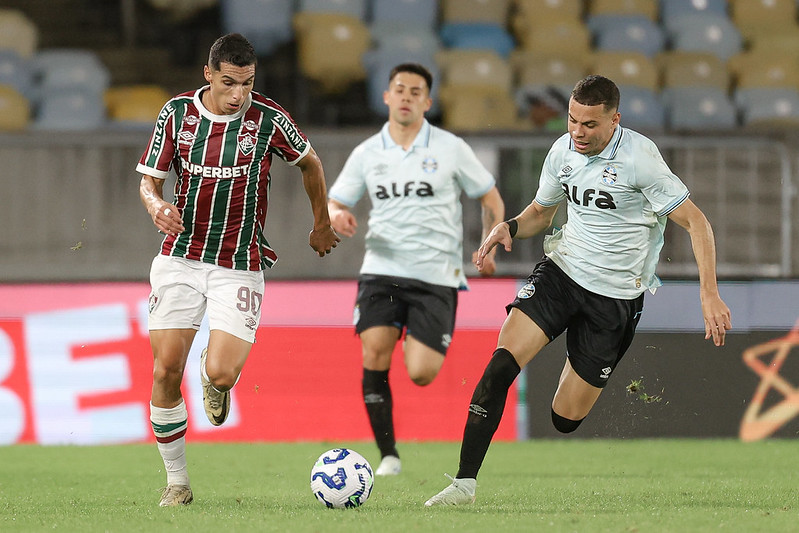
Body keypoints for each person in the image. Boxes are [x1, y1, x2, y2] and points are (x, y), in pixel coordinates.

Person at [424, 75, 732, 506]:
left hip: (615, 298)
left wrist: (709, 292)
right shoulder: (562, 150)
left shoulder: (641, 158)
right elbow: (542, 213)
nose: (577, 132)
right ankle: (464, 485)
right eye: (572, 120)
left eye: (589, 124)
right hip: (562, 273)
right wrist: (509, 227)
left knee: (564, 419)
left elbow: (697, 222)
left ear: (614, 121)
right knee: (499, 370)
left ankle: (579, 345)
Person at [137, 33, 340, 507]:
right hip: (181, 257)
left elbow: (310, 162)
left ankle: (213, 377)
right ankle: (178, 482)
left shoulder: (267, 118)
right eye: (228, 83)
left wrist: (322, 223)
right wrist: (154, 205)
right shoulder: (177, 114)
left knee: (223, 374)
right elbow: (150, 180)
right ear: (208, 74)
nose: (237, 95)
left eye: (247, 84)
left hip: (239, 264)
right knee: (165, 368)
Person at [327, 63, 505, 476]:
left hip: (436, 275)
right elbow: (337, 202)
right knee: (374, 352)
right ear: (387, 97)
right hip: (382, 268)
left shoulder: (450, 148)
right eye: (399, 89)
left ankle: (413, 332)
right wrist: (337, 216)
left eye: (415, 91)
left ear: (428, 102)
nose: (406, 96)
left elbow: (490, 197)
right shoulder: (367, 153)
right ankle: (388, 455)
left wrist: (490, 242)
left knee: (422, 373)